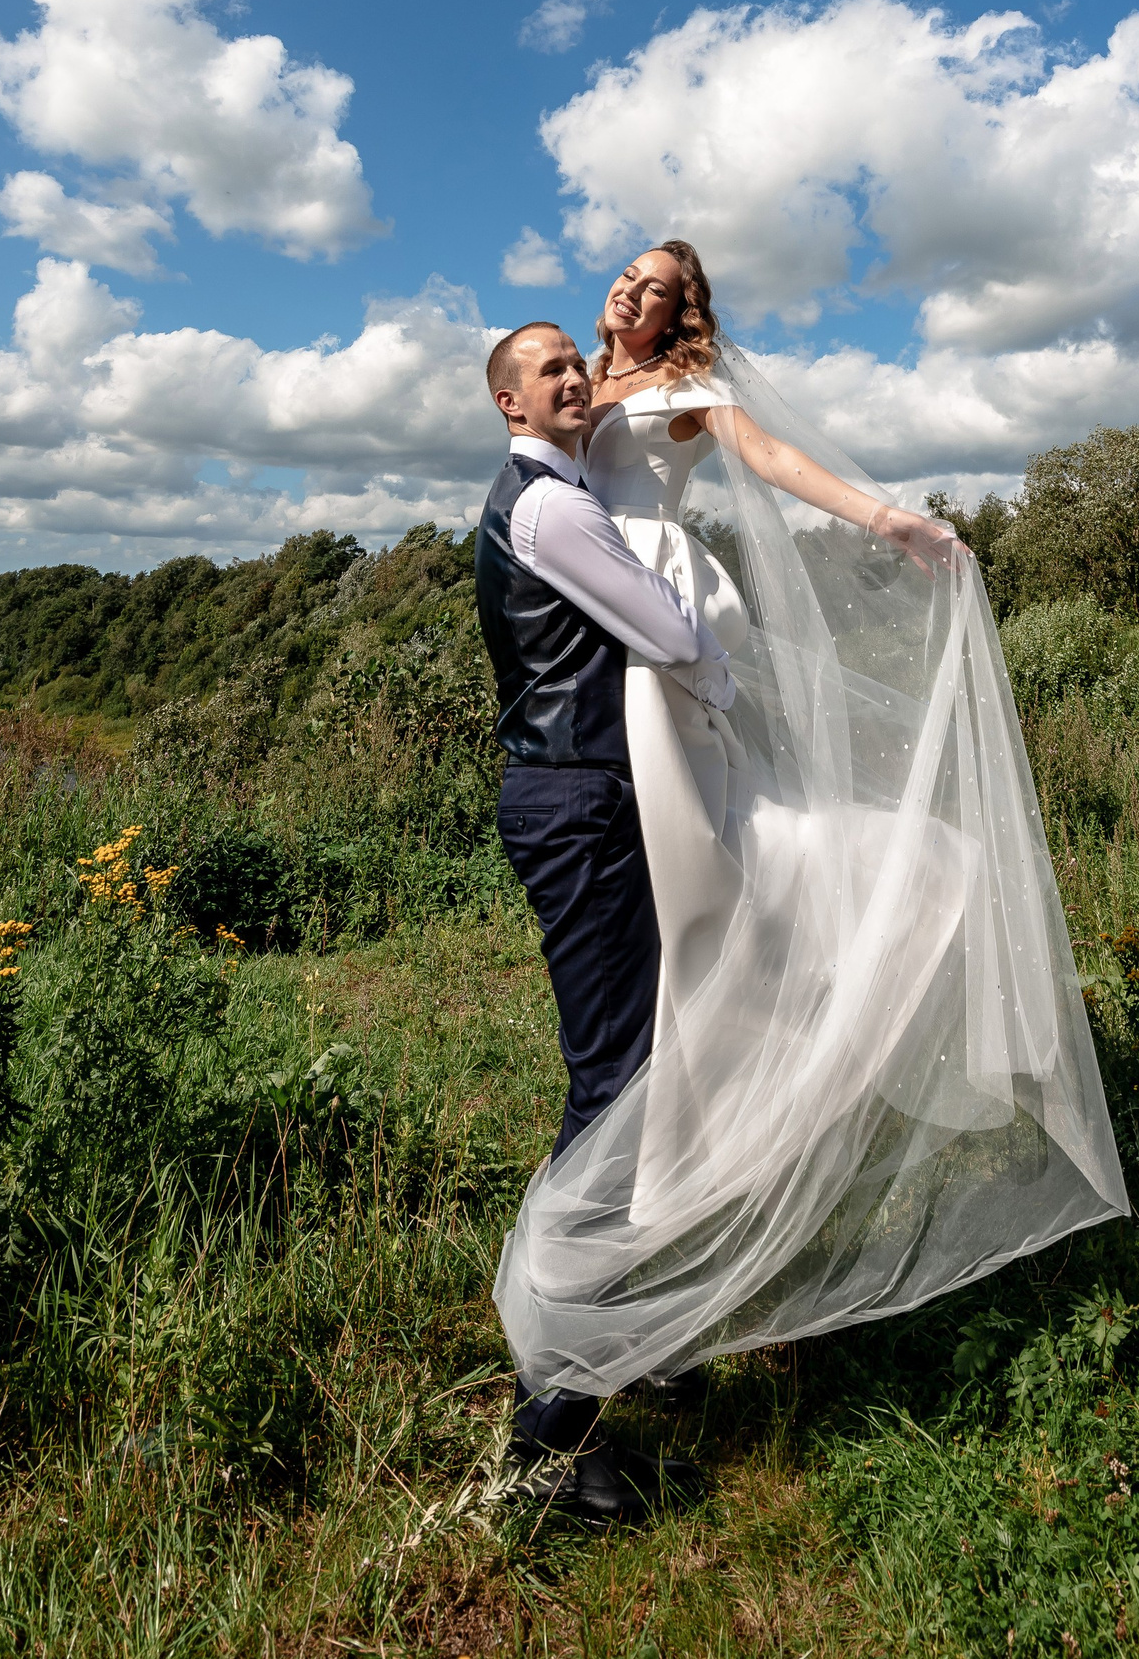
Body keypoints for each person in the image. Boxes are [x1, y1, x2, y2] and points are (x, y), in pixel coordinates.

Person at [493, 241, 1128, 1423]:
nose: (633, 289)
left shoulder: (684, 390)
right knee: (653, 961)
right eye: (627, 272)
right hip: (595, 641)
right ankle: (635, 1270)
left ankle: (642, 1256)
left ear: (681, 310)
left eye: (658, 284)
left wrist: (886, 517)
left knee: (708, 871)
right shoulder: (574, 392)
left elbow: (775, 460)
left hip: (655, 616)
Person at [476, 316, 728, 1524]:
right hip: (577, 802)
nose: (575, 376)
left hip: (585, 795)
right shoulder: (553, 510)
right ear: (510, 404)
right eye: (549, 370)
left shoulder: (561, 494)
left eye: (579, 360)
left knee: (639, 1065)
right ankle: (548, 1431)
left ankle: (628, 1334)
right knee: (614, 1088)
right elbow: (670, 633)